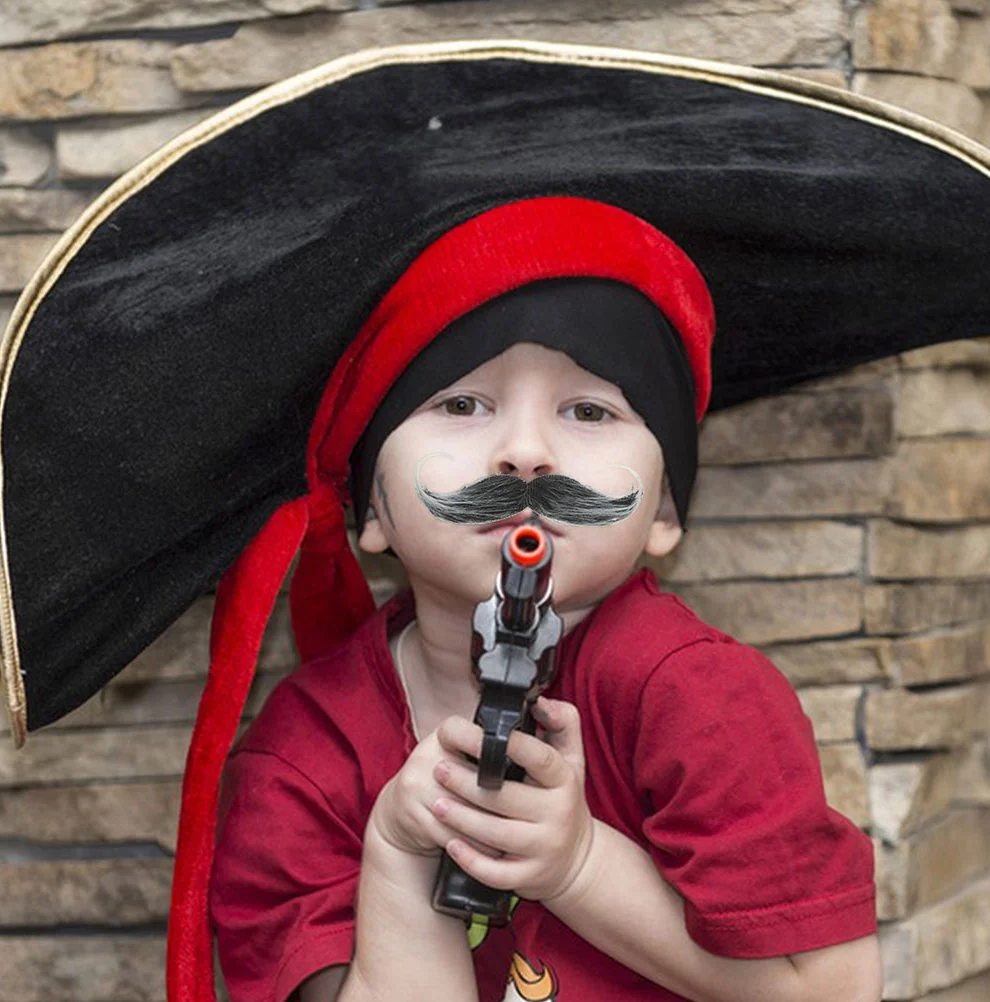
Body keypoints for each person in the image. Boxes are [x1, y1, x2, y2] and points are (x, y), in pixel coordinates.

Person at [209, 210, 881, 1002]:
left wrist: (580, 867)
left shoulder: (703, 704)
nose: (526, 452)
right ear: (373, 511)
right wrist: (400, 850)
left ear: (665, 511)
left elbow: (833, 986)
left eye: (589, 411)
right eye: (461, 405)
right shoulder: (301, 757)